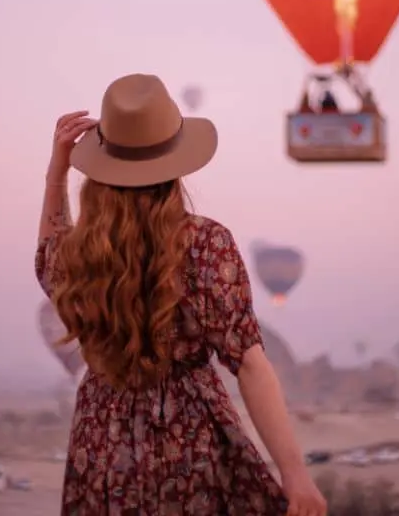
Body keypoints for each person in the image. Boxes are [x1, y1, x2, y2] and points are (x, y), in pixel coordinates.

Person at [36, 73, 327, 516]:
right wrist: (294, 472)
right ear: (174, 162)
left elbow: (49, 250)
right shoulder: (206, 244)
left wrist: (56, 172)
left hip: (101, 441)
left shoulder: (79, 251)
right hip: (189, 437)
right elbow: (249, 364)